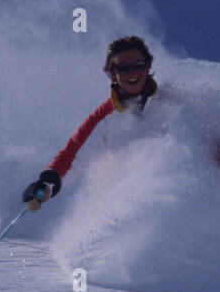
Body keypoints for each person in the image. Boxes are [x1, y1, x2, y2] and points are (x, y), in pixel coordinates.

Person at [22, 36, 158, 211]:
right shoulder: (105, 118)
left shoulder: (174, 100)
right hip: (134, 201)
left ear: (148, 67)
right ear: (113, 75)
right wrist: (47, 184)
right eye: (123, 69)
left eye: (139, 66)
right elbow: (74, 152)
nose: (132, 74)